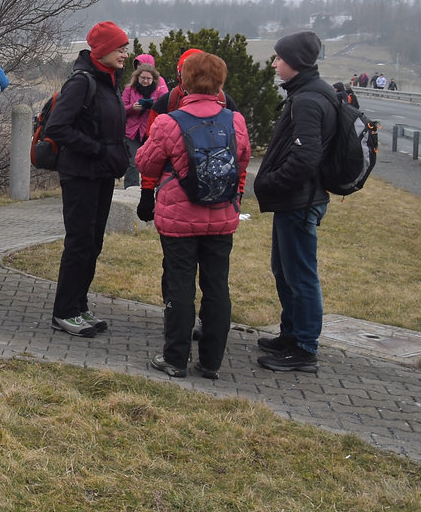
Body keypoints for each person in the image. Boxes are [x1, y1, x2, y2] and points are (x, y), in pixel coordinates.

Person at [135, 51, 251, 380]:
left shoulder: (170, 122)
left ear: (184, 81)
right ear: (220, 82)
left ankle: (175, 358)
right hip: (221, 216)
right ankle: (211, 362)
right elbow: (242, 161)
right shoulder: (235, 120)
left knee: (180, 286)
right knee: (217, 287)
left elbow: (144, 162)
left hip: (179, 218)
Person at [252, 30, 339, 374]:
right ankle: (291, 335)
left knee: (300, 275)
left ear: (296, 62)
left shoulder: (307, 100)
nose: (274, 64)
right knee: (285, 270)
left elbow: (305, 158)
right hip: (298, 199)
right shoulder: (310, 92)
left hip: (299, 202)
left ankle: (304, 347)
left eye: (279, 58)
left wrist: (271, 183)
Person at [43, 21, 132, 337]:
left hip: (102, 174)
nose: (125, 54)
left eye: (125, 48)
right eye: (120, 48)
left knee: (93, 243)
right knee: (79, 243)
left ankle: (79, 306)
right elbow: (57, 127)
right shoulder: (82, 82)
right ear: (103, 50)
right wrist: (96, 149)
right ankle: (64, 312)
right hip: (80, 174)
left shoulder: (110, 81)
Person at [121, 54, 168, 187]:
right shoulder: (130, 89)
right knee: (132, 163)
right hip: (132, 132)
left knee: (153, 162)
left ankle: (153, 189)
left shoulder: (159, 88)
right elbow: (121, 109)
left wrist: (154, 106)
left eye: (148, 78)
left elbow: (166, 106)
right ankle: (131, 190)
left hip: (152, 131)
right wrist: (132, 108)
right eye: (142, 78)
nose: (145, 81)